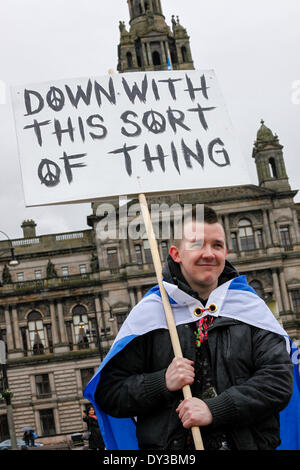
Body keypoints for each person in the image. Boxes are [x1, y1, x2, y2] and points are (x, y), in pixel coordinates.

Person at [88, 205, 293, 450]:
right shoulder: (151, 314)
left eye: (217, 245)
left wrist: (214, 409)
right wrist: (161, 382)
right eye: (197, 244)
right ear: (176, 253)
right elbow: (111, 393)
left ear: (225, 251)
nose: (209, 253)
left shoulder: (249, 308)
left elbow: (278, 381)